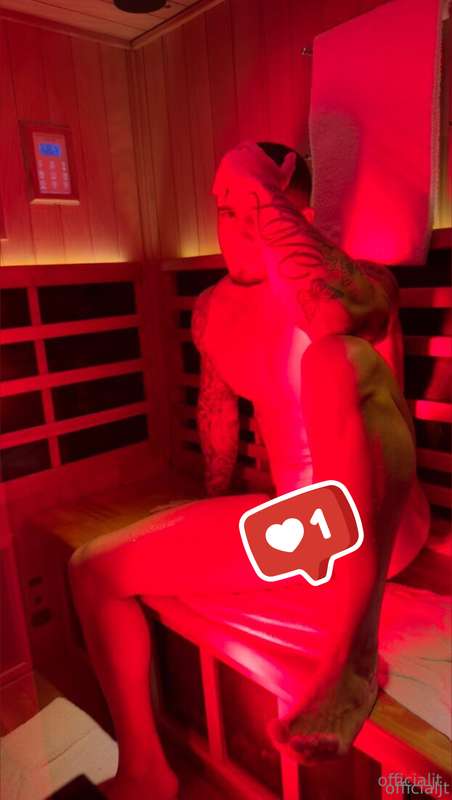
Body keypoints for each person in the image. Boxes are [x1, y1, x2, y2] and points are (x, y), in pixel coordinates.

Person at [68, 142, 429, 800]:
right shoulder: (212, 310)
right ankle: (145, 769)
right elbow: (218, 422)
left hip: (384, 523)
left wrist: (264, 194)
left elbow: (338, 316)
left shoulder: (353, 285)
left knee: (333, 362)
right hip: (302, 526)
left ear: (295, 213)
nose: (232, 226)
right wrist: (206, 514)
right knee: (94, 568)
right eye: (224, 209)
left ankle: (349, 660)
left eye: (252, 208)